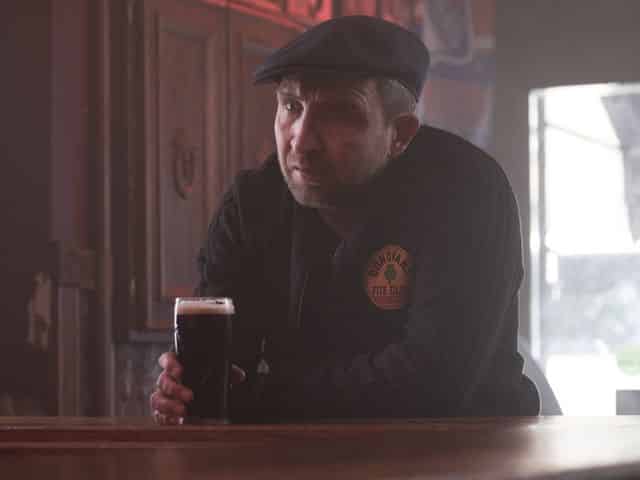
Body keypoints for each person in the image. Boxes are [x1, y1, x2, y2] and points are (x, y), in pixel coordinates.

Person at [150, 15, 540, 424]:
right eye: (291, 106)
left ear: (400, 134)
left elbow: (430, 386)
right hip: (296, 449)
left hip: (468, 447)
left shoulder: (465, 190)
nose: (302, 140)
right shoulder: (253, 203)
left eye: (338, 114)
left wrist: (250, 400)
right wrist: (181, 389)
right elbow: (222, 368)